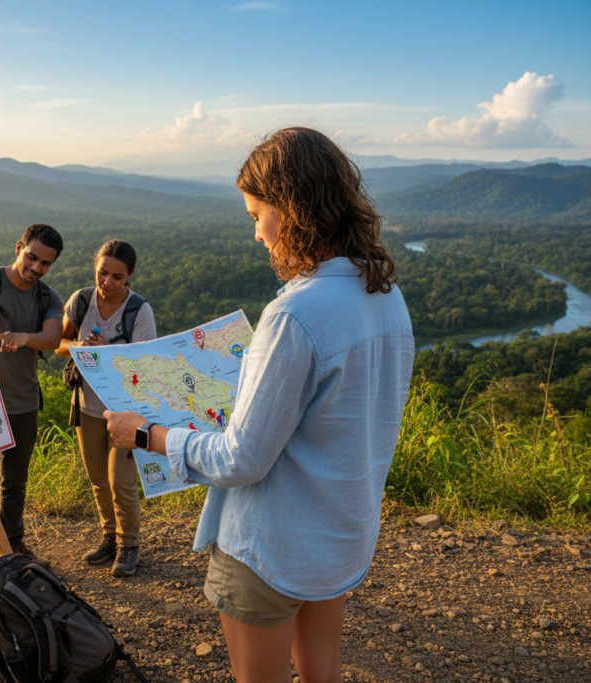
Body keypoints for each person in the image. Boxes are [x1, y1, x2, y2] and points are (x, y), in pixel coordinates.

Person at [104, 128, 414, 683]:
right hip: (341, 536)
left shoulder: (295, 315)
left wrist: (147, 433)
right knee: (323, 671)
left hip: (271, 546)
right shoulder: (385, 296)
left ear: (292, 209)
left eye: (256, 214)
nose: (256, 233)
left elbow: (242, 460)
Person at [0, 223, 65, 576]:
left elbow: (53, 338)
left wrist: (23, 337)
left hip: (24, 402)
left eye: (45, 264)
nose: (36, 268)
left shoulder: (47, 297)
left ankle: (12, 546)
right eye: (32, 257)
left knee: (16, 483)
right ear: (19, 246)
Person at [56, 240, 156, 577]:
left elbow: (143, 365)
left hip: (125, 412)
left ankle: (130, 546)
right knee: (98, 479)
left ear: (129, 276)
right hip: (87, 406)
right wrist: (79, 347)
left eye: (117, 276)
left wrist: (106, 351)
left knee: (120, 482)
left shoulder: (139, 311)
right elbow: (60, 344)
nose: (107, 282)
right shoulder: (81, 300)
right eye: (102, 273)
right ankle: (109, 538)